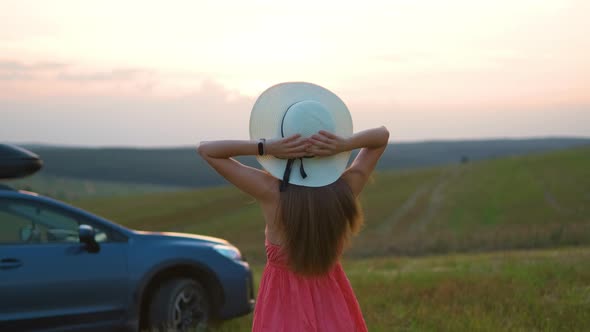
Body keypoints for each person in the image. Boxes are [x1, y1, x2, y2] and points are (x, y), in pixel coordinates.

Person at [198, 82, 389, 332]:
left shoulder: (271, 192)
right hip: (332, 301)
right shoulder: (346, 189)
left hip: (281, 306)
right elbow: (381, 136)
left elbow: (207, 150)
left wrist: (265, 146)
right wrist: (345, 144)